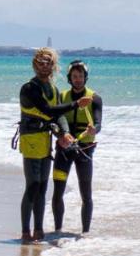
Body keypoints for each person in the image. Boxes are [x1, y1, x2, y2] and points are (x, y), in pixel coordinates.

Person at [17, 48, 90, 243]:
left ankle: (39, 230)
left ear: (53, 66)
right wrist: (75, 105)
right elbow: (47, 110)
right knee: (32, 185)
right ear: (34, 64)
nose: (44, 65)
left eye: (48, 62)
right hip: (31, 139)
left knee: (42, 186)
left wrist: (64, 133)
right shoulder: (29, 88)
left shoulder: (53, 89)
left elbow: (59, 116)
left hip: (45, 140)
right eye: (41, 62)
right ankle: (26, 231)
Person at [52, 60, 103, 234]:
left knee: (86, 195)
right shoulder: (62, 97)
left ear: (85, 77)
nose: (78, 79)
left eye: (81, 76)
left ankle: (85, 234)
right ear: (69, 78)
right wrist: (61, 136)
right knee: (58, 192)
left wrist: (93, 129)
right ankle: (57, 230)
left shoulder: (95, 99)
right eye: (74, 76)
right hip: (64, 150)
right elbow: (56, 120)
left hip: (84, 150)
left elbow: (98, 124)